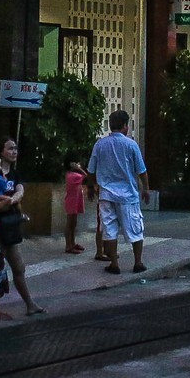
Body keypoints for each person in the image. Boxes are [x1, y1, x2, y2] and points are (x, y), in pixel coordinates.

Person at [0, 137, 45, 316]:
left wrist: (13, 198)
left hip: (10, 225)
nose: (14, 152)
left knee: (18, 267)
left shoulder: (14, 174)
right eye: (10, 149)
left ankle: (29, 304)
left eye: (15, 149)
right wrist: (7, 201)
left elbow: (20, 191)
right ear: (1, 152)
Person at [89, 109, 150, 275]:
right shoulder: (131, 144)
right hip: (128, 196)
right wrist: (146, 189)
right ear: (125, 126)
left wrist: (92, 187)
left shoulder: (100, 144)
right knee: (135, 229)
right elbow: (142, 171)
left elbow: (91, 170)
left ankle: (114, 264)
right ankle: (138, 262)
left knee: (109, 230)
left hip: (106, 195)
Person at [62, 158, 87, 254]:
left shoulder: (73, 175)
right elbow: (86, 176)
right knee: (70, 223)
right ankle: (68, 245)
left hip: (74, 201)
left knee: (73, 223)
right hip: (72, 202)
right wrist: (79, 168)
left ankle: (72, 243)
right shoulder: (73, 175)